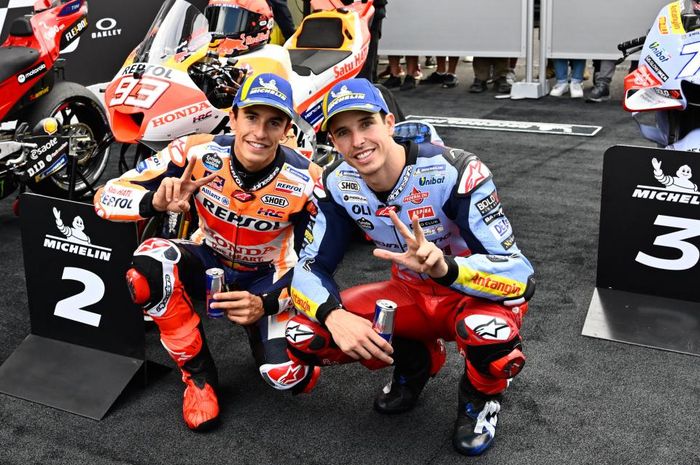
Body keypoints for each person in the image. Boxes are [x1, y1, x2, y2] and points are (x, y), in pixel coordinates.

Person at [285, 78, 535, 456]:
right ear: (332, 141)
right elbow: (308, 266)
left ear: (389, 123)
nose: (358, 141)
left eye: (366, 124)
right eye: (343, 132)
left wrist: (446, 268)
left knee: (491, 334)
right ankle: (415, 362)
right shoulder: (335, 183)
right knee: (304, 333)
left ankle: (480, 400)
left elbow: (519, 275)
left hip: (471, 295)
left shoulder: (456, 170)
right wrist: (334, 316)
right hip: (409, 293)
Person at [93, 73, 322, 431]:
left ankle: (262, 327)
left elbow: (318, 264)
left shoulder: (307, 179)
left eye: (273, 122)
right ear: (233, 117)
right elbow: (104, 198)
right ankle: (199, 378)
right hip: (208, 260)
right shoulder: (195, 151)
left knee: (290, 377)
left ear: (286, 130)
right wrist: (154, 202)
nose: (260, 132)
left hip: (268, 276)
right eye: (251, 117)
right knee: (149, 266)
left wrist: (268, 303)